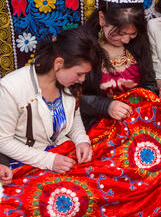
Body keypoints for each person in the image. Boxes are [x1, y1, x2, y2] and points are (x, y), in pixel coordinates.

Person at [0, 26, 103, 181]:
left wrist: (82, 140)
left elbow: (74, 115)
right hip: (28, 159)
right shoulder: (11, 88)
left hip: (62, 151)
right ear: (59, 63)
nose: (82, 79)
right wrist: (49, 161)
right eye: (80, 73)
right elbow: (3, 141)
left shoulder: (69, 84)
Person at [81, 0, 158, 130]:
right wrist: (107, 106)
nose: (127, 40)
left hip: (138, 119)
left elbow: (150, 85)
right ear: (102, 19)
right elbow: (70, 96)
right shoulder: (83, 47)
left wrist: (138, 101)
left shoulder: (139, 44)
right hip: (98, 124)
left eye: (132, 34)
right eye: (120, 33)